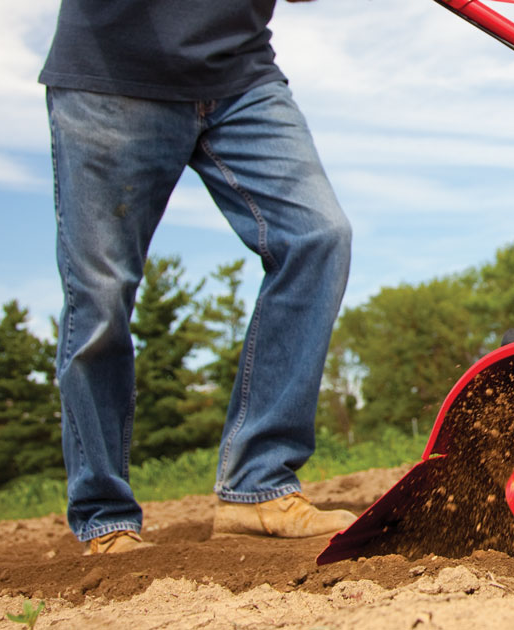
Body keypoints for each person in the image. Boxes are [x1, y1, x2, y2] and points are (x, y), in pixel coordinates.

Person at [40, 0, 357, 554]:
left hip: (242, 76)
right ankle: (104, 513)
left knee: (317, 236)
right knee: (102, 294)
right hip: (112, 78)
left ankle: (257, 485)